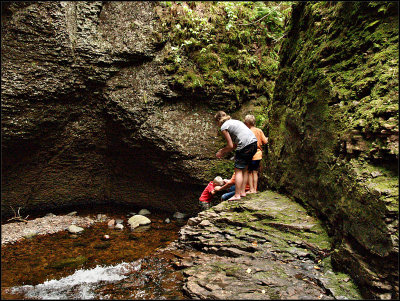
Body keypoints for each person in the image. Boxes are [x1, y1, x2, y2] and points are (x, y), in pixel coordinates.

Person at [214, 111, 258, 201]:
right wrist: (223, 151)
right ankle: (242, 192)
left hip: (245, 145)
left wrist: (221, 152)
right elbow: (234, 145)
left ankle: (237, 195)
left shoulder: (224, 127)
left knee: (238, 171)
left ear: (218, 120)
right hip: (253, 143)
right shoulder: (235, 122)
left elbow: (230, 146)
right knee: (245, 169)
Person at [244, 114, 268, 193]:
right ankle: (255, 189)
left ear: (247, 123)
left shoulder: (246, 132)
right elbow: (265, 141)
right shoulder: (259, 130)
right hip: (258, 154)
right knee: (255, 172)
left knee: (249, 172)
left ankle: (251, 189)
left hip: (249, 155)